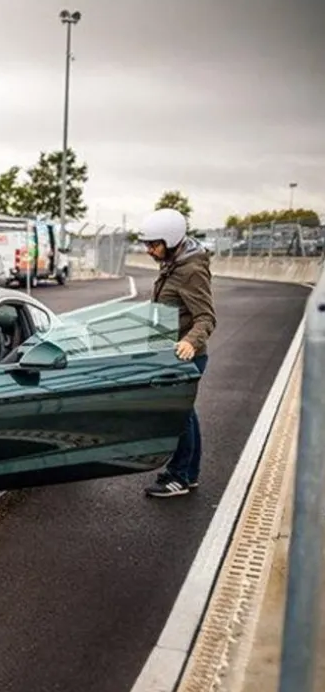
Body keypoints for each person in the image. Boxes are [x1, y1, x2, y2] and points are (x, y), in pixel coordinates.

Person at [141, 208, 217, 498]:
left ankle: (179, 477)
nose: (149, 250)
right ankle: (189, 473)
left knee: (178, 414)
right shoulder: (174, 263)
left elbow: (206, 317)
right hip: (169, 352)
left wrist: (190, 342)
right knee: (186, 413)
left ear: (171, 240)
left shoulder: (190, 271)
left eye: (153, 244)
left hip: (185, 355)